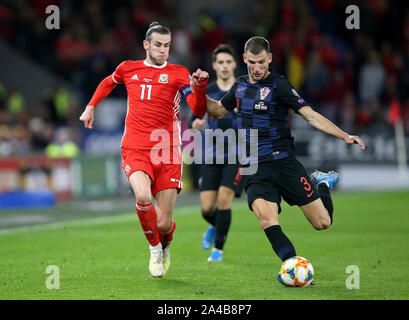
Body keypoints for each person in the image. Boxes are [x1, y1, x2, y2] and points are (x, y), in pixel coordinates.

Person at [202, 37, 365, 268]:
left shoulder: (279, 85)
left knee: (322, 222)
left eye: (261, 62)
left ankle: (323, 184)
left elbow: (310, 115)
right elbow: (218, 110)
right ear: (245, 59)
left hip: (284, 162)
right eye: (252, 63)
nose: (257, 68)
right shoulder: (239, 87)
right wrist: (199, 92)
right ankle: (293, 266)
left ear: (269, 59)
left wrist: (345, 135)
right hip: (254, 166)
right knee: (267, 219)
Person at [79, 22, 208, 278]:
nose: (163, 50)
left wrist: (200, 88)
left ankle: (165, 242)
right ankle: (154, 250)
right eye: (158, 45)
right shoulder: (128, 68)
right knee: (143, 197)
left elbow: (199, 110)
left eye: (167, 45)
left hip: (167, 149)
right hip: (135, 146)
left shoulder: (180, 73)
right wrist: (91, 106)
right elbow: (108, 82)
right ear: (146, 45)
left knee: (162, 223)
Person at [189, 44, 245, 262]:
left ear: (234, 64)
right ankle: (215, 227)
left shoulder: (244, 89)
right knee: (206, 209)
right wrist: (195, 123)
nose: (224, 66)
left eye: (228, 62)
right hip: (212, 154)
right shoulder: (208, 90)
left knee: (224, 200)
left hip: (238, 154)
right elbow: (194, 115)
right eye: (220, 62)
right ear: (214, 65)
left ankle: (218, 250)